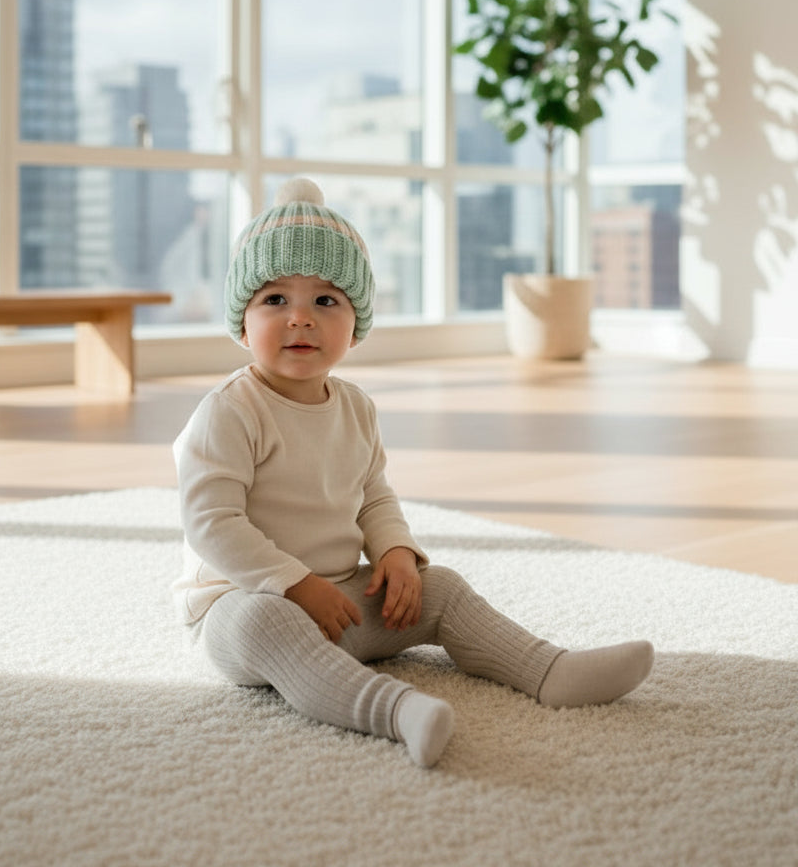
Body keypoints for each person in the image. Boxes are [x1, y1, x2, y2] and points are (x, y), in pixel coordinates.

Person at [173, 177, 654, 768]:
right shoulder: (229, 411)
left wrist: (397, 554)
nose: (300, 319)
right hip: (245, 602)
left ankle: (548, 669)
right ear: (242, 322)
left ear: (357, 325)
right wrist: (297, 585)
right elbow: (211, 524)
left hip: (340, 601)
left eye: (326, 301)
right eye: (275, 300)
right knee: (265, 621)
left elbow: (373, 495)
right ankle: (396, 710)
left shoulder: (354, 407)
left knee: (441, 586)